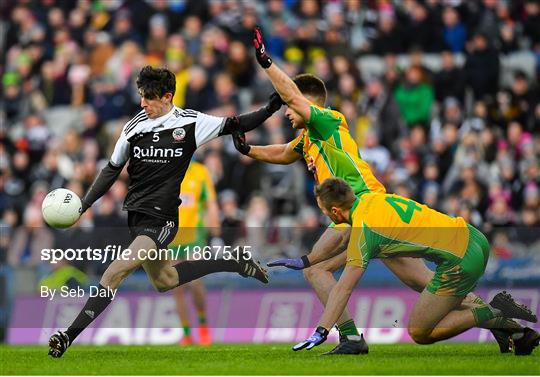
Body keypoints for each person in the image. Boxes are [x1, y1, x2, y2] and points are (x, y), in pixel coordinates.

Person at [242, 26, 524, 355]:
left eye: (289, 107)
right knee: (418, 281)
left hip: (364, 210)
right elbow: (282, 152)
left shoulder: (328, 121)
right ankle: (507, 326)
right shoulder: (308, 140)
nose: (286, 113)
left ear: (307, 104)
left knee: (317, 269)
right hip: (365, 214)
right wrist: (249, 150)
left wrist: (266, 63)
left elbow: (292, 97)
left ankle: (349, 338)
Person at [47, 65, 282, 358]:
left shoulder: (191, 122)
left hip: (163, 220)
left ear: (167, 96)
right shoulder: (134, 126)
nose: (143, 103)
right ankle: (233, 261)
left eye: (148, 98)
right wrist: (84, 204)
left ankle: (67, 336)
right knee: (166, 281)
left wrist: (270, 108)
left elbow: (237, 123)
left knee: (113, 273)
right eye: (141, 97)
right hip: (136, 217)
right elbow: (111, 170)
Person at [291, 178, 539, 356]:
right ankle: (519, 335)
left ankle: (494, 310)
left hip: (460, 260)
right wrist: (313, 263)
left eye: (325, 212)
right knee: (435, 292)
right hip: (473, 236)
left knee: (420, 331)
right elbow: (351, 247)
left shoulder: (364, 231)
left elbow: (343, 288)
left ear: (335, 211)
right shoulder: (370, 200)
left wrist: (321, 331)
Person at [169, 160, 220, 346]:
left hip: (194, 237)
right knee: (177, 287)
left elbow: (211, 202)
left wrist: (215, 231)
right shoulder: (167, 171)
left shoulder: (200, 172)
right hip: (171, 239)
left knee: (195, 282)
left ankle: (203, 323)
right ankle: (186, 333)